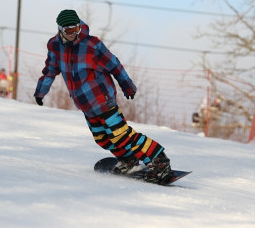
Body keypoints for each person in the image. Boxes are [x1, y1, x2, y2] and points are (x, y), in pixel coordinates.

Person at [34, 9, 174, 183]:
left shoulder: (91, 45)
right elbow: (50, 70)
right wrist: (41, 91)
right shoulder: (54, 46)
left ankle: (158, 160)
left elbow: (114, 65)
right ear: (61, 30)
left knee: (120, 135)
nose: (74, 34)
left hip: (103, 99)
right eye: (69, 30)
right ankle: (128, 160)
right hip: (85, 104)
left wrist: (127, 85)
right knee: (102, 139)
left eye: (76, 29)